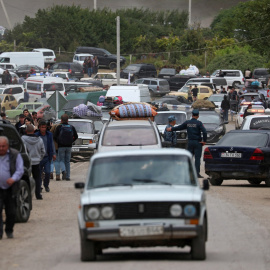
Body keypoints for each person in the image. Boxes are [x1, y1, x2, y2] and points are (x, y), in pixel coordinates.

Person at [166, 109, 207, 178]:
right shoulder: (199, 123)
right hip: (198, 142)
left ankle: (188, 173)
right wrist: (204, 141)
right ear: (198, 116)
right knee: (197, 158)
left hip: (190, 142)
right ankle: (197, 173)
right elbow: (205, 132)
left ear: (192, 115)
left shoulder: (187, 122)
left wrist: (171, 129)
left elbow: (179, 127)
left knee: (189, 158)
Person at [0, 136, 24, 239]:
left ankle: (9, 230)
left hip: (11, 188)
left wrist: (13, 179)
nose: (1, 148)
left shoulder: (15, 154)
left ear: (8, 146)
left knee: (11, 212)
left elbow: (20, 170)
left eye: (3, 146)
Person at [21, 125, 45, 200]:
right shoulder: (40, 140)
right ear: (34, 131)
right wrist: (39, 158)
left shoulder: (23, 139)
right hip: (36, 162)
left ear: (26, 131)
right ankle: (38, 194)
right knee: (37, 178)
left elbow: (21, 150)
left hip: (26, 162)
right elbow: (43, 151)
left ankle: (25, 194)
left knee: (25, 178)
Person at [53, 114, 78, 181]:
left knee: (61, 160)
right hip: (69, 146)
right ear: (68, 120)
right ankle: (68, 176)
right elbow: (76, 136)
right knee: (67, 161)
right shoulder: (71, 127)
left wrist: (58, 142)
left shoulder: (59, 127)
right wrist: (71, 141)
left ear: (61, 120)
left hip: (61, 146)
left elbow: (55, 136)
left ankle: (63, 171)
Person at [36, 121, 56, 192]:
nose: (43, 129)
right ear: (39, 127)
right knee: (39, 173)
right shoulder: (36, 135)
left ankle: (46, 185)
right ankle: (39, 186)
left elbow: (52, 144)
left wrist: (54, 153)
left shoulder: (49, 134)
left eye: (45, 127)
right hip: (39, 157)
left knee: (48, 172)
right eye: (42, 127)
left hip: (47, 157)